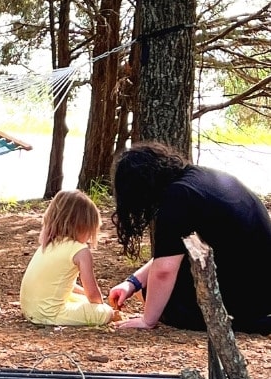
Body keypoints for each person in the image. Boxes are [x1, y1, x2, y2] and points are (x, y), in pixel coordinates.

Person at [110, 141, 271, 333]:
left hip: (249, 297)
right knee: (150, 288)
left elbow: (164, 270)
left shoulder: (177, 199)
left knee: (159, 296)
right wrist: (132, 283)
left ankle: (242, 321)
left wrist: (148, 320)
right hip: (263, 284)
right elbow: (171, 253)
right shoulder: (199, 177)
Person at [20, 189, 116, 327]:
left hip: (30, 309)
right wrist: (101, 305)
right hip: (50, 313)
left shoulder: (49, 245)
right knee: (106, 312)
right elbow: (93, 294)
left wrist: (85, 297)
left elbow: (60, 283)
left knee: (81, 299)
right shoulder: (81, 251)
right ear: (82, 226)